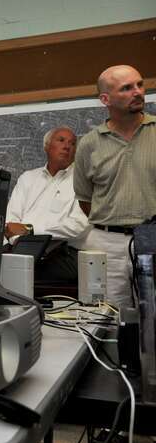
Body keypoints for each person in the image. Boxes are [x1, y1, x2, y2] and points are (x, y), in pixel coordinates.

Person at [74, 65, 153, 307]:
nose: (137, 92)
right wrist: (114, 222)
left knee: (152, 319)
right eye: (127, 88)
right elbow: (85, 199)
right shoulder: (88, 144)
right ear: (105, 99)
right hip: (105, 243)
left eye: (140, 84)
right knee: (105, 319)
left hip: (152, 237)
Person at [5, 126, 89, 284]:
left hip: (62, 252)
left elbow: (78, 226)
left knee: (21, 275)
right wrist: (19, 242)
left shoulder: (82, 179)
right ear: (47, 146)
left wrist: (30, 230)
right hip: (20, 247)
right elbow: (11, 219)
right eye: (61, 140)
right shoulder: (27, 178)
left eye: (72, 143)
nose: (67, 146)